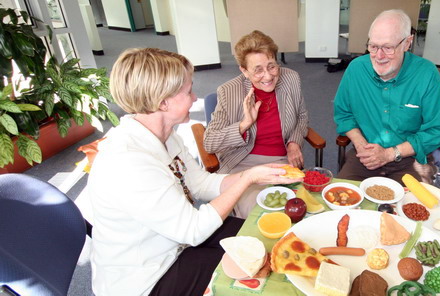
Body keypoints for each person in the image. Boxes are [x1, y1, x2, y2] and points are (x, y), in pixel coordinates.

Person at [85, 48, 301, 296]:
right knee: (255, 274)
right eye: (188, 92)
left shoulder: (166, 136)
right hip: (146, 277)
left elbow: (201, 185)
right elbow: (194, 230)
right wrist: (248, 179)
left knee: (257, 239)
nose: (194, 97)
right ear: (162, 102)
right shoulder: (128, 162)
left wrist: (256, 173)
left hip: (175, 242)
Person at [333, 9, 440, 185]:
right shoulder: (356, 69)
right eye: (373, 46)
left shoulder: (428, 75)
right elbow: (343, 113)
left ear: (407, 43)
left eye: (388, 47)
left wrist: (389, 154)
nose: (379, 56)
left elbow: (436, 130)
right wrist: (360, 145)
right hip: (366, 156)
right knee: (342, 200)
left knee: (409, 210)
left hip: (411, 159)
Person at [204, 30, 308, 217]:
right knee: (259, 215)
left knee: (302, 208)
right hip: (243, 164)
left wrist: (294, 143)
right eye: (258, 69)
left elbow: (301, 116)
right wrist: (244, 124)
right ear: (244, 70)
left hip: (282, 163)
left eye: (272, 66)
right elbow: (210, 142)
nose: (268, 76)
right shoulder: (229, 91)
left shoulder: (291, 78)